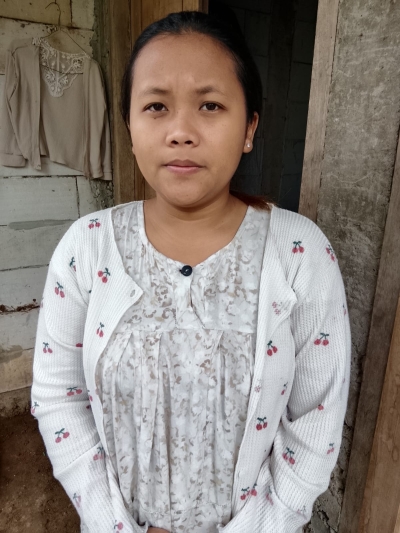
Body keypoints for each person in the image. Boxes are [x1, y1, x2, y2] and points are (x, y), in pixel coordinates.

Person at [31, 11, 351, 533]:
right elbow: (57, 396)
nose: (180, 131)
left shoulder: (299, 254)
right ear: (130, 126)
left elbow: (317, 419)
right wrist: (113, 524)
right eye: (156, 106)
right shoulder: (86, 249)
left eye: (210, 105)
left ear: (249, 128)